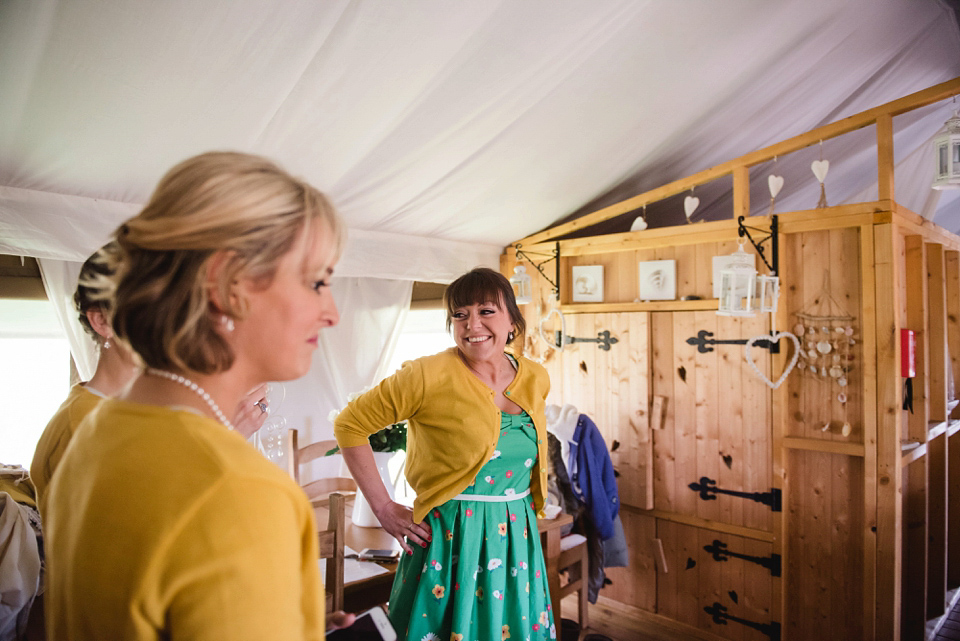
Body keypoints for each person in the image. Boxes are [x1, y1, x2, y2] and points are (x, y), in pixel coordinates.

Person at [43, 151, 352, 640]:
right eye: (317, 282)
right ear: (226, 284)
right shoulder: (238, 490)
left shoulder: (100, 428)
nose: (331, 312)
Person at [334, 267, 555, 641]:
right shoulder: (425, 375)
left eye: (486, 311)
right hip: (450, 537)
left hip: (517, 533)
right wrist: (384, 507)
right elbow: (348, 426)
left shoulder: (535, 377)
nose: (472, 324)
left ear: (512, 320)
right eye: (460, 314)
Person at [30, 244, 270, 508]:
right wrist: (227, 436)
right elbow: (150, 528)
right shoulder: (82, 426)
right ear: (102, 322)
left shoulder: (140, 415)